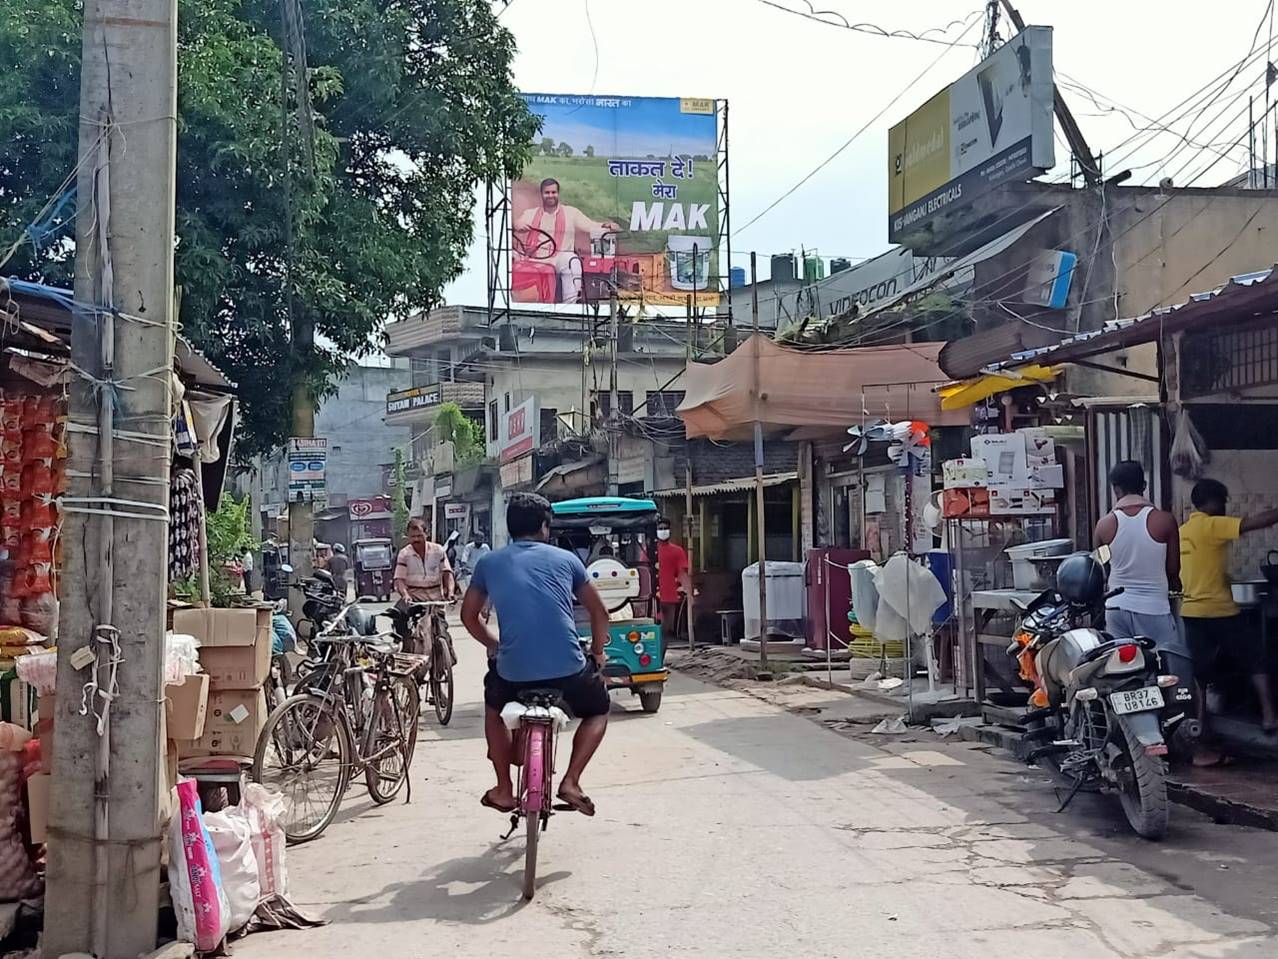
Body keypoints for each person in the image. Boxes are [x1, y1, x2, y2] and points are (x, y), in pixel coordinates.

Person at [461, 491, 611, 817]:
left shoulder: (489, 563)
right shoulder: (567, 560)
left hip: (513, 671)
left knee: (493, 708)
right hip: (568, 668)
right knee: (599, 709)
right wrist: (597, 653)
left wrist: (495, 645)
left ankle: (503, 787)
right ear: (545, 527)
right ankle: (571, 781)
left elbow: (468, 617)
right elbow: (600, 614)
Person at [1181, 478, 1278, 734]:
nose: (1224, 506)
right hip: (1220, 611)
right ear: (1212, 502)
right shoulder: (1211, 525)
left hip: (1191, 612)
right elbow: (1254, 523)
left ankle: (1199, 725)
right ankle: (1269, 717)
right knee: (1256, 658)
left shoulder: (1183, 531)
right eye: (1222, 501)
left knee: (1199, 671)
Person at [1093, 461, 1192, 684]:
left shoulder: (1103, 526)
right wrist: (1174, 585)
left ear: (1115, 489)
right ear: (1144, 485)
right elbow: (1173, 569)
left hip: (1116, 609)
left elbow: (1103, 565)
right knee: (1169, 669)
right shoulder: (1164, 521)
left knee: (1124, 674)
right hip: (1154, 609)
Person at [514, 178, 619, 304]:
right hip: (534, 258)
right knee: (509, 255)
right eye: (547, 193)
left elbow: (590, 225)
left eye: (554, 192)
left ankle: (569, 306)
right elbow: (517, 224)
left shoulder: (571, 213)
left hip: (559, 258)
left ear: (558, 194)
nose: (550, 196)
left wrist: (607, 226)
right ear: (541, 194)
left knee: (571, 260)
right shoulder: (530, 213)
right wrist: (516, 224)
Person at [394, 517, 456, 658]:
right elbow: (399, 580)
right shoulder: (404, 554)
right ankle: (405, 649)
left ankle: (446, 660)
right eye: (413, 537)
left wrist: (450, 592)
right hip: (415, 601)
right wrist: (406, 595)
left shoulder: (438, 550)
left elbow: (447, 573)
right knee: (399, 618)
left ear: (426, 534)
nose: (416, 540)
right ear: (408, 537)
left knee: (443, 632)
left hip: (435, 601)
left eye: (419, 536)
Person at [655, 517, 691, 641]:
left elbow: (683, 573)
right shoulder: (650, 551)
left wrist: (688, 591)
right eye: (660, 529)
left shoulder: (677, 551)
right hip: (653, 597)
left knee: (666, 631)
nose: (663, 531)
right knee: (654, 630)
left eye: (665, 528)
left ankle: (661, 657)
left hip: (670, 597)